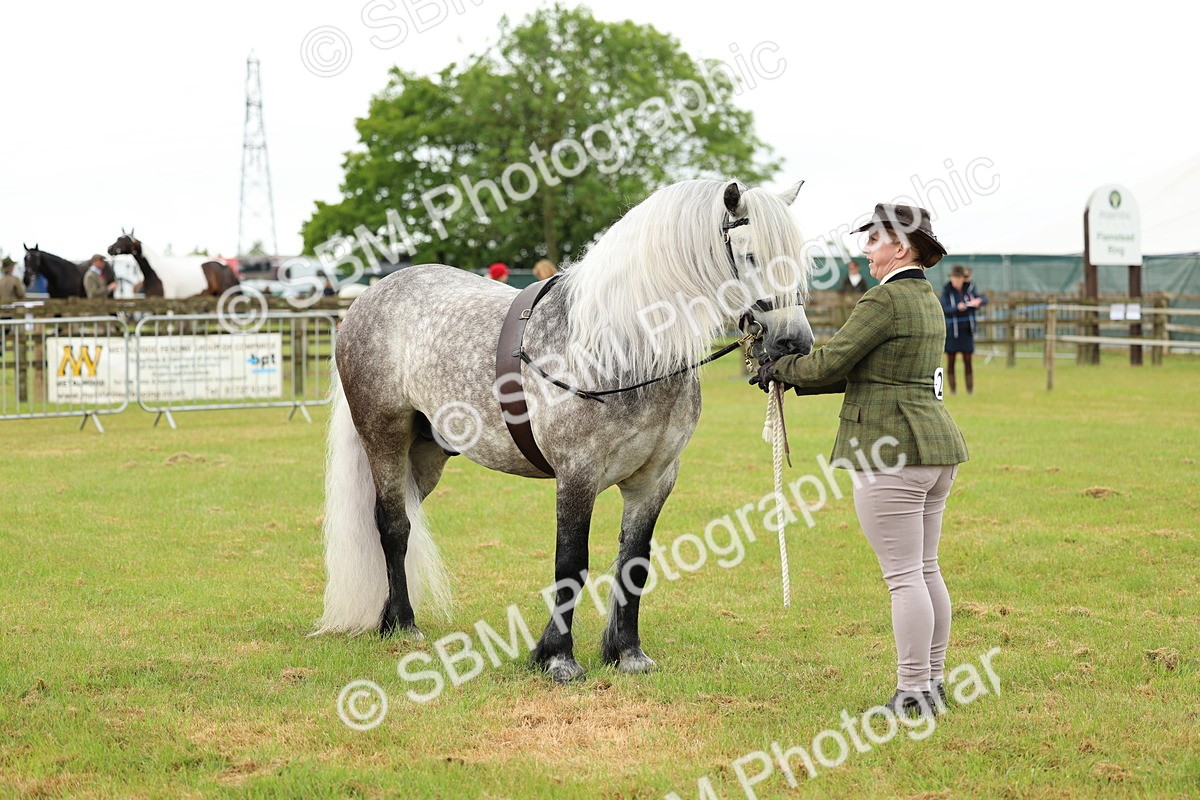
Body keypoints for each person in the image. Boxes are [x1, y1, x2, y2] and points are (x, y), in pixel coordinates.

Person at [752, 204, 969, 717]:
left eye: (874, 240)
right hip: (936, 449)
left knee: (904, 577)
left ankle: (913, 690)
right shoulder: (926, 298)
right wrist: (789, 375)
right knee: (925, 569)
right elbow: (865, 371)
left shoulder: (884, 299)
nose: (866, 249)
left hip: (892, 451)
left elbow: (832, 361)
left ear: (902, 247)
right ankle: (934, 682)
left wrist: (779, 367)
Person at [941, 265, 988, 395]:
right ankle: (953, 390)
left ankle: (969, 390)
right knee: (951, 362)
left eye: (959, 277)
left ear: (963, 278)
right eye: (954, 277)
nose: (956, 280)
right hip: (952, 333)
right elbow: (944, 308)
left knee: (968, 361)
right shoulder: (946, 291)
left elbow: (984, 299)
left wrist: (978, 301)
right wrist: (957, 307)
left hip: (967, 332)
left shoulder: (970, 289)